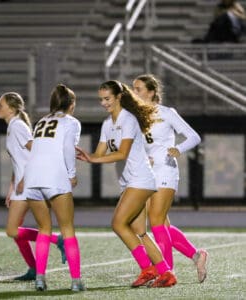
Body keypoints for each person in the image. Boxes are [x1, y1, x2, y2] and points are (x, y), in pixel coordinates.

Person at [76, 80, 177, 288]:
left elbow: (122, 153)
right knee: (139, 231)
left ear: (119, 97)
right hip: (131, 181)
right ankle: (166, 273)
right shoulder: (107, 124)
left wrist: (93, 159)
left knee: (118, 223)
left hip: (141, 180)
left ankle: (147, 269)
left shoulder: (128, 119)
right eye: (101, 99)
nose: (104, 103)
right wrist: (83, 155)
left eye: (107, 99)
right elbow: (99, 153)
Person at [131, 74, 208, 284]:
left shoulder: (166, 113)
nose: (134, 92)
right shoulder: (136, 116)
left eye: (138, 89)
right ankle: (196, 255)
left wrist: (178, 149)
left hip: (165, 171)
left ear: (152, 92)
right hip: (148, 173)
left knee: (155, 222)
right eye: (133, 88)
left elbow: (194, 136)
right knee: (161, 224)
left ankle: (168, 272)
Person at [0, 92, 66, 282]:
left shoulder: (18, 126)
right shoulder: (13, 126)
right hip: (22, 185)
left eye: (0, 105)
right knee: (16, 233)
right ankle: (34, 269)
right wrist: (11, 187)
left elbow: (36, 151)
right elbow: (18, 160)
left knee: (12, 230)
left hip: (29, 184)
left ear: (11, 108)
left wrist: (24, 179)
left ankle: (57, 240)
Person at [24, 84, 85, 292]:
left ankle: (40, 279)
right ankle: (76, 281)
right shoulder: (71, 122)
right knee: (67, 229)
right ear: (71, 104)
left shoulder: (41, 120)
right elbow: (68, 149)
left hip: (33, 177)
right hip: (54, 177)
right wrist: (71, 174)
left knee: (44, 229)